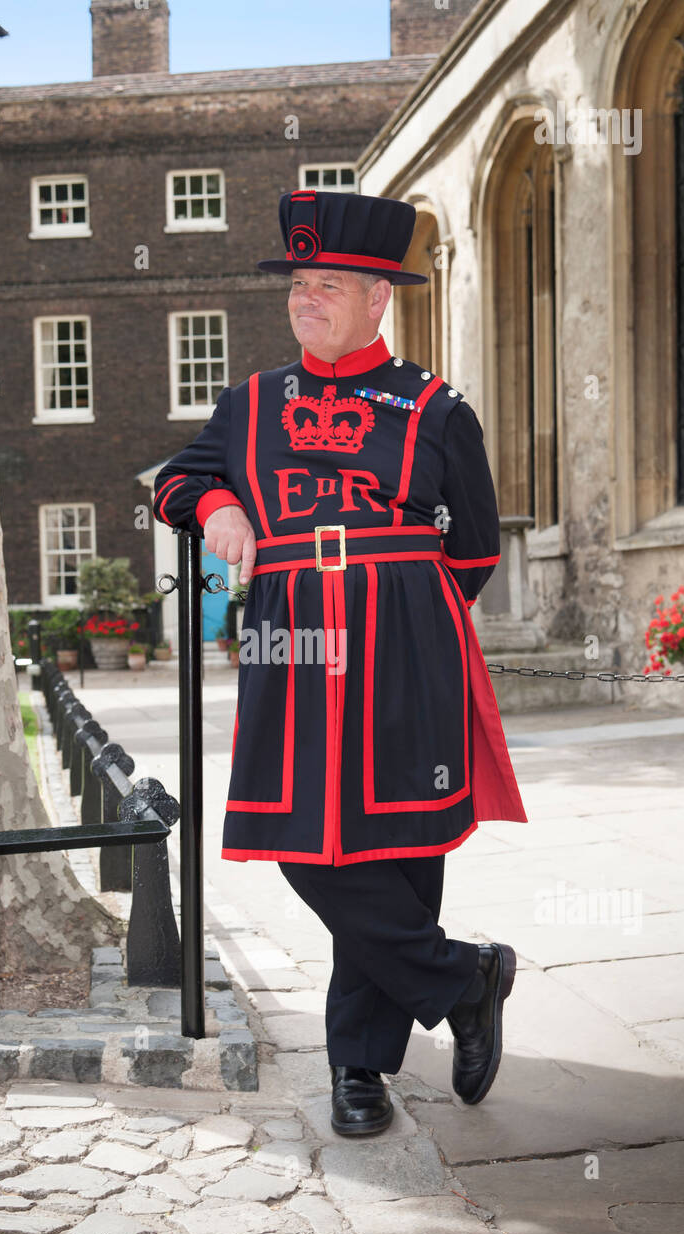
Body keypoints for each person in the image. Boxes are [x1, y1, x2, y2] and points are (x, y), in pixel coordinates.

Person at [153, 188, 527, 1135]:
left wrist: (399, 612)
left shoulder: (435, 407)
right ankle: (463, 977)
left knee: (398, 849)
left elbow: (474, 549)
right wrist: (218, 508)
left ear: (376, 298)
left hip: (406, 639)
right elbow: (178, 480)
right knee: (297, 841)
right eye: (296, 285)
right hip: (287, 641)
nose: (304, 299)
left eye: (326, 284)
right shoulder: (250, 403)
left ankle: (359, 1070)